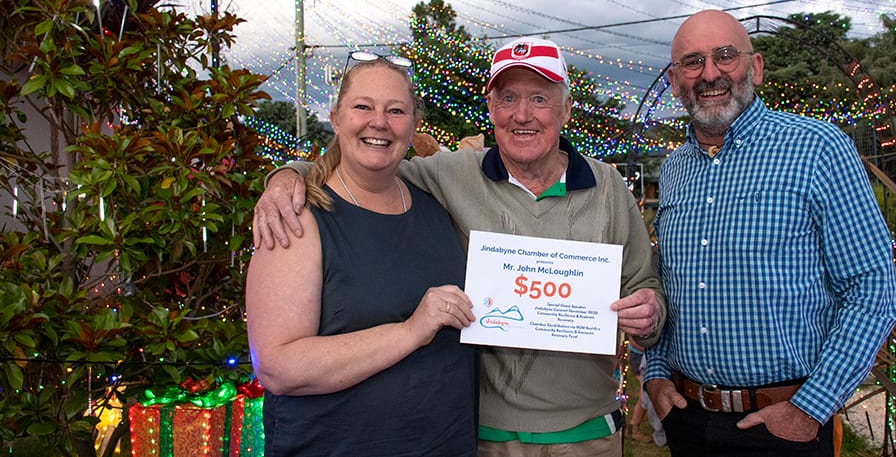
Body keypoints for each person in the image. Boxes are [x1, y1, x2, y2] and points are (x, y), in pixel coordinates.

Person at [253, 37, 667, 457]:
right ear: (491, 108)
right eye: (508, 98)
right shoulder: (450, 174)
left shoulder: (608, 187)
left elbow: (644, 286)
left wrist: (649, 314)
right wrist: (287, 177)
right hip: (481, 435)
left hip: (585, 432)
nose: (522, 114)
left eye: (540, 99)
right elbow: (365, 166)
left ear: (566, 109)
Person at [644, 9, 896, 456]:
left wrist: (810, 408)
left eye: (726, 56)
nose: (710, 74)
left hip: (783, 426)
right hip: (688, 419)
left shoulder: (817, 148)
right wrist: (656, 374)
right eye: (693, 62)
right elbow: (668, 284)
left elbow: (872, 289)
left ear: (756, 67)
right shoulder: (674, 170)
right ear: (674, 80)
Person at [245, 56, 478, 457]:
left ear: (414, 126)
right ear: (336, 118)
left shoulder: (436, 207)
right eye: (363, 106)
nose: (379, 122)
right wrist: (409, 331)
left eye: (396, 111)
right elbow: (278, 367)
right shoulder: (296, 216)